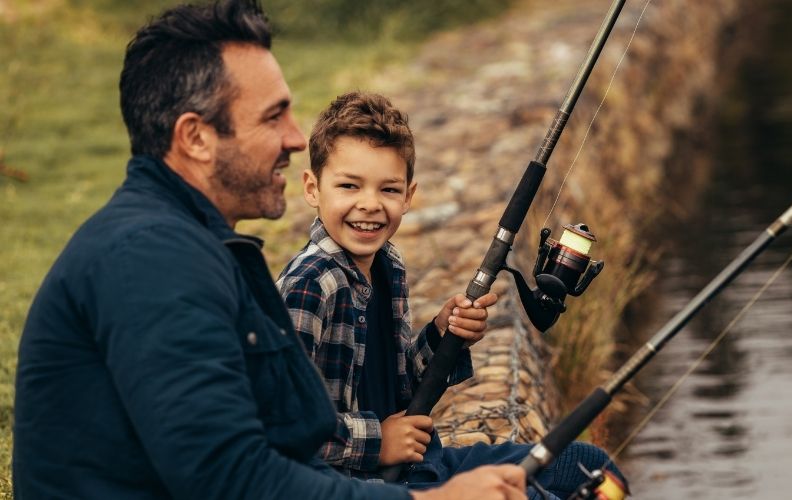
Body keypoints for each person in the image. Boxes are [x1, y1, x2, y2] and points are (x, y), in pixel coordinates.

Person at [12, 1, 525, 499]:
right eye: (274, 116)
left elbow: (277, 434)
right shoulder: (152, 261)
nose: (296, 137)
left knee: (579, 467)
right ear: (196, 137)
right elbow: (234, 478)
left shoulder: (196, 244)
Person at [277, 91, 624, 498]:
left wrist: (444, 335)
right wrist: (378, 440)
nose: (369, 204)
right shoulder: (310, 285)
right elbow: (283, 422)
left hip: (421, 465)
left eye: (388, 190)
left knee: (586, 465)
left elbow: (403, 388)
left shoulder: (388, 264)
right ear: (313, 188)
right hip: (365, 485)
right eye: (349, 186)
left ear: (409, 195)